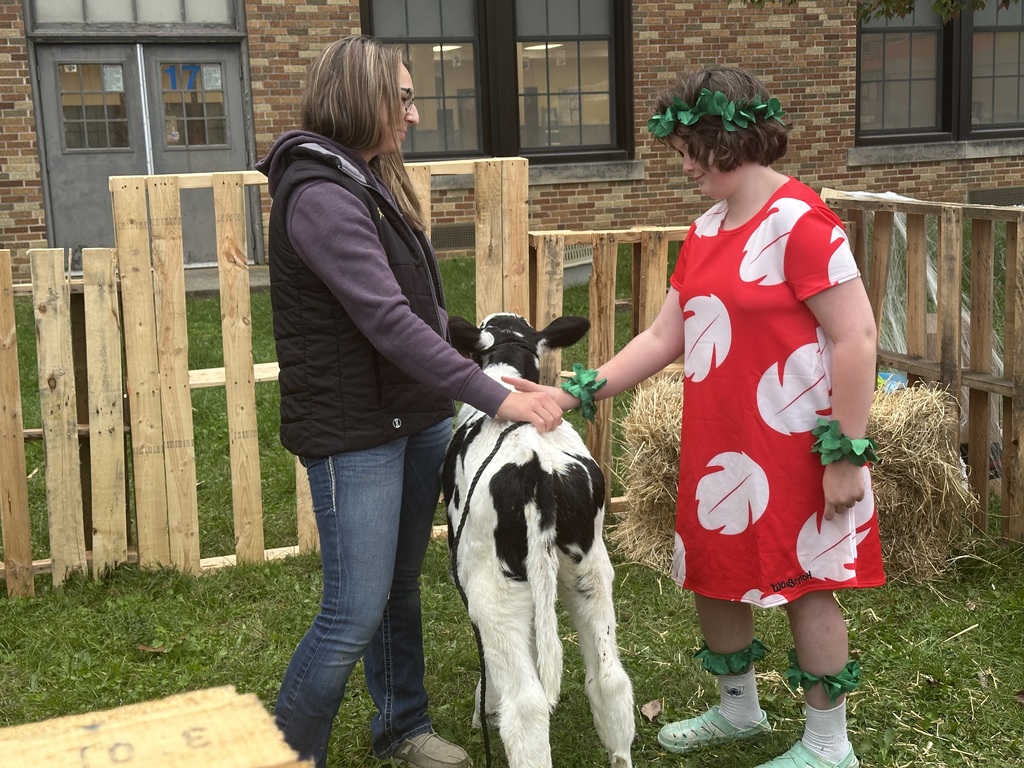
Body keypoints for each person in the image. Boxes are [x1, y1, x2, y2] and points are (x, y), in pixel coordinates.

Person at [508, 65, 885, 768]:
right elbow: (663, 336)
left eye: (690, 148)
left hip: (798, 444)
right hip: (723, 443)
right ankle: (738, 709)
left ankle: (830, 746)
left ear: (731, 138)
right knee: (713, 573)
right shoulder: (708, 227)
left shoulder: (803, 222)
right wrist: (579, 392)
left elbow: (857, 336)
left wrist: (845, 452)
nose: (681, 164)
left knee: (805, 587)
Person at [255, 35, 564, 768]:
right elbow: (387, 323)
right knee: (351, 613)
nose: (416, 115)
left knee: (398, 591)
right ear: (361, 96)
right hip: (352, 431)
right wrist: (497, 399)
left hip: (409, 415)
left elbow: (414, 307)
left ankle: (401, 727)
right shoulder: (321, 193)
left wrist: (484, 358)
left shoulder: (365, 178)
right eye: (403, 97)